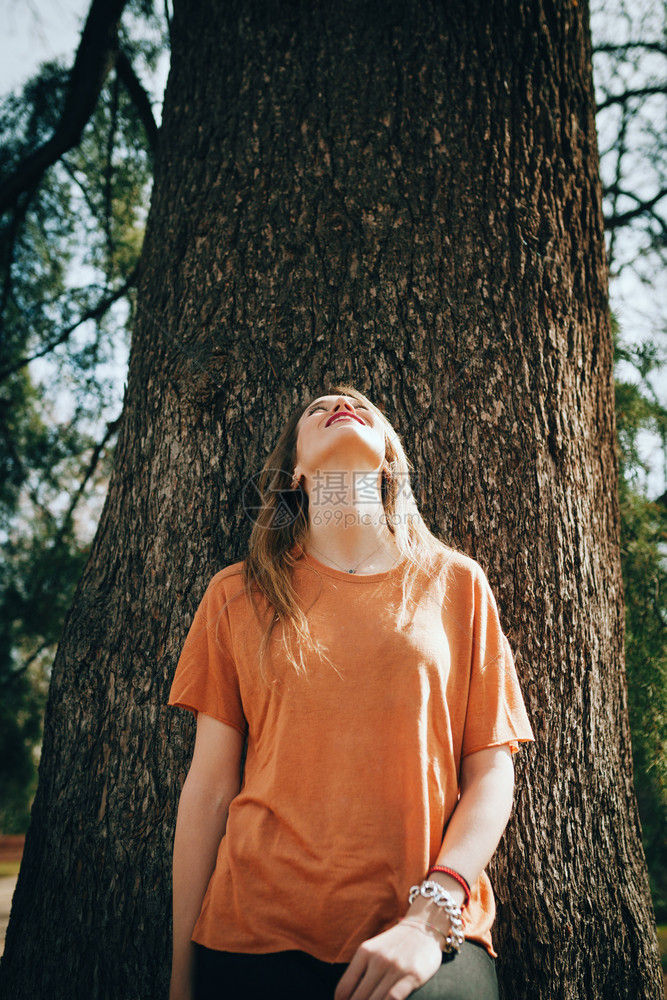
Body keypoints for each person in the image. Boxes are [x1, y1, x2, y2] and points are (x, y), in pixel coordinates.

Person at [167, 384, 535, 1000]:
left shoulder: (458, 584)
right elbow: (207, 790)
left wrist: (431, 911)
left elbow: (493, 773)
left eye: (362, 406)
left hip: (426, 928)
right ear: (294, 473)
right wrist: (181, 978)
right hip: (251, 932)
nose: (342, 405)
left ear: (390, 459)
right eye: (317, 409)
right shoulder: (236, 594)